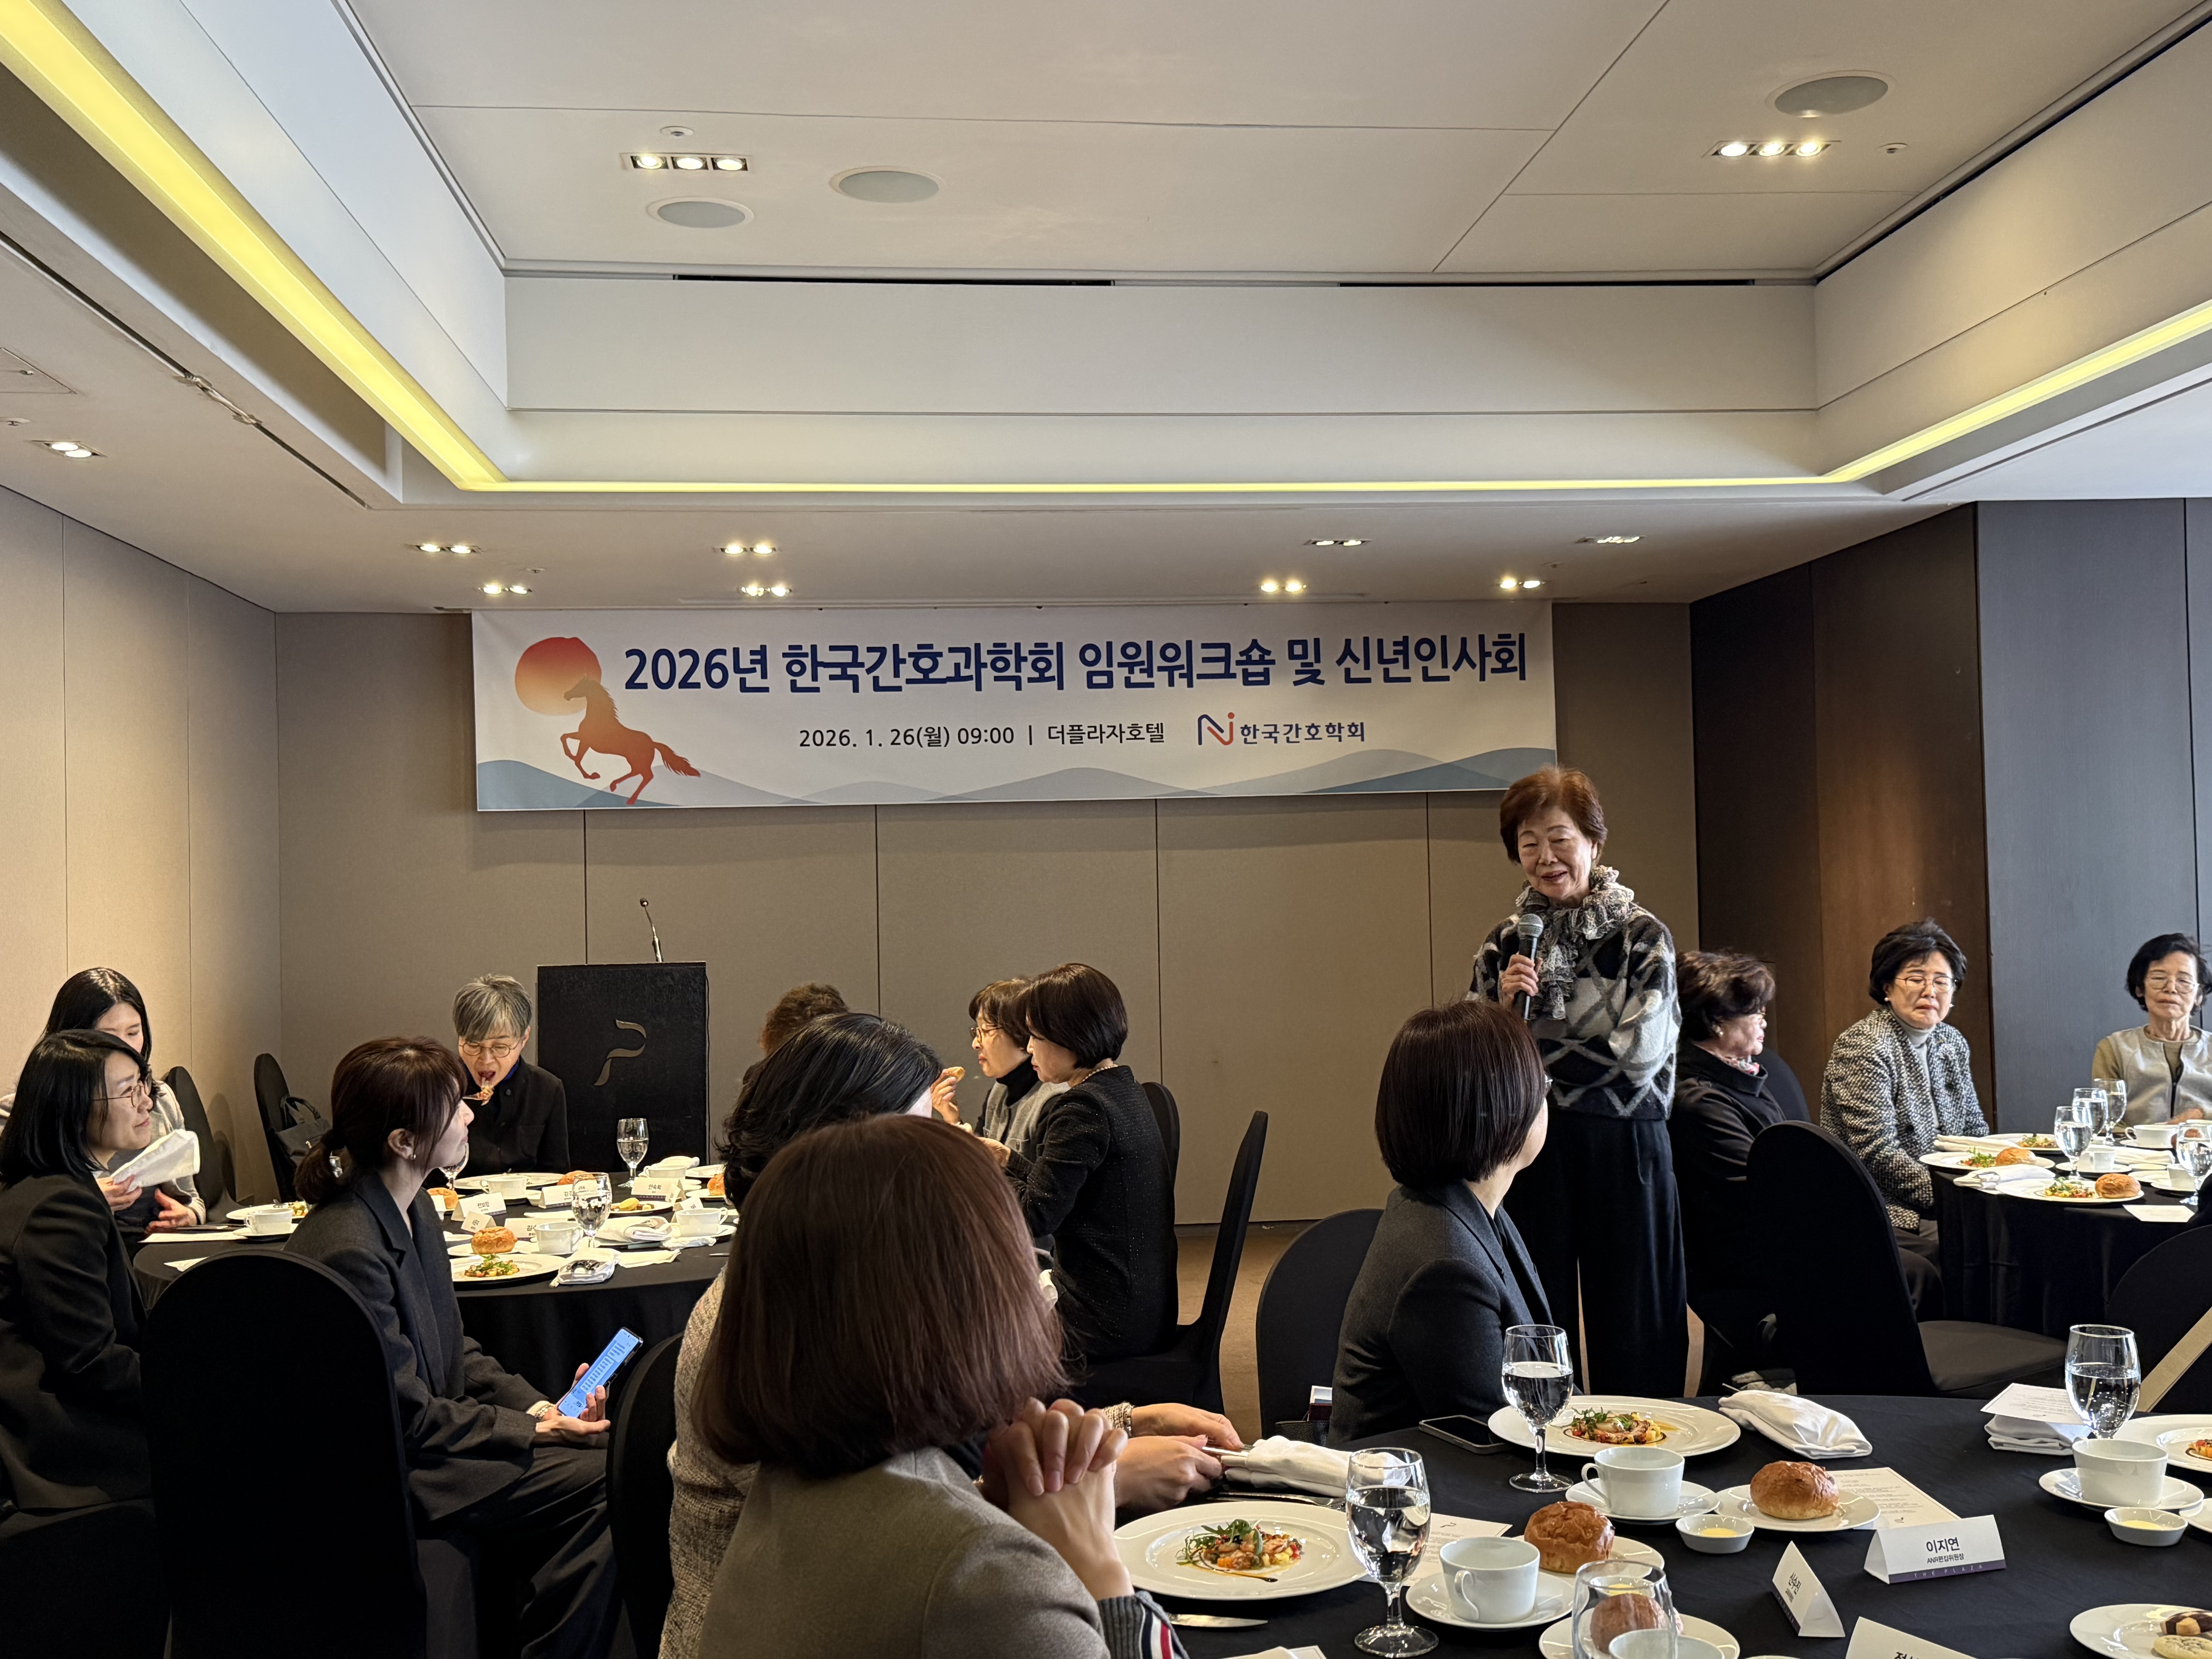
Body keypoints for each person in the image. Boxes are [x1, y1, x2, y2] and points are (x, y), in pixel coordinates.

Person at [663, 1011, 1240, 1659]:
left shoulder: (801, 1324)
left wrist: (1115, 1431)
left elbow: (904, 1485)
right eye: (918, 1137)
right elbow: (920, 1543)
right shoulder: (986, 1574)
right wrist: (1095, 1562)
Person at [288, 1038, 618, 1659]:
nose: (470, 1113)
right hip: (402, 1475)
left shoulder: (412, 1209)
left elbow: (454, 1351)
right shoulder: (350, 1245)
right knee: (610, 1483)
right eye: (453, 1106)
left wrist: (544, 1408)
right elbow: (407, 1417)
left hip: (437, 1446)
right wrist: (535, 1431)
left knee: (607, 1460)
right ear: (403, 1142)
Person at [1470, 766, 1686, 1396]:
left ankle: (1646, 1434)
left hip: (1627, 1144)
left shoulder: (1643, 937)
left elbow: (1638, 1056)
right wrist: (1506, 1014)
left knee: (1636, 1315)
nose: (1546, 857)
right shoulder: (1505, 944)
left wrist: (1531, 1052)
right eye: (1529, 843)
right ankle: (1545, 1431)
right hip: (1533, 1145)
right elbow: (1475, 1058)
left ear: (1594, 841)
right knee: (1537, 1312)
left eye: (1560, 839)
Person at [1331, 1000, 1552, 1442]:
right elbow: (1503, 1435)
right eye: (1541, 1085)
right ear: (1501, 1108)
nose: (1547, 1097)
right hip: (1441, 1480)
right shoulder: (1446, 1265)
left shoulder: (1461, 1208)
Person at [0, 1031, 156, 1540]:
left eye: (144, 1085)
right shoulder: (61, 1206)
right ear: (73, 1110)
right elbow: (91, 1363)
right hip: (56, 1444)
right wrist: (190, 1385)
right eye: (129, 1091)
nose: (147, 1102)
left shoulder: (50, 1187)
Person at [1009, 964, 1176, 1371]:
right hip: (1140, 1309)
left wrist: (979, 1177)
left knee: (973, 1321)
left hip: (1103, 1320)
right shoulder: (1123, 1090)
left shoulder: (1083, 1107)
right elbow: (1063, 1188)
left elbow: (1035, 1216)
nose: (1029, 1049)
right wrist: (1008, 1161)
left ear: (1071, 1036)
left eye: (1035, 1036)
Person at [1666, 951, 1813, 1385]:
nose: (1764, 1020)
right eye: (1754, 1011)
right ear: (1716, 1022)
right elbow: (1757, 1194)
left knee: (1913, 1258)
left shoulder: (1742, 1077)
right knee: (1905, 1274)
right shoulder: (1698, 1100)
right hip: (1745, 1258)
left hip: (1777, 1234)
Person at [1823, 919, 1985, 1292]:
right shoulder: (1865, 1045)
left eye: (1942, 981)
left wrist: (1988, 1181)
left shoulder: (1951, 1042)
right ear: (1887, 987)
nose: (1930, 991)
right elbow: (1877, 1153)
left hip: (1952, 1197)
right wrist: (1953, 1198)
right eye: (1916, 979)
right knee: (1978, 1253)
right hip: (1887, 1206)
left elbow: (1974, 1131)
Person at [0, 968, 204, 1240]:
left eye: (134, 1032)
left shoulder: (158, 1099)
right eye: (107, 1036)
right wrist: (84, 1199)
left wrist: (188, 1216)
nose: (125, 1048)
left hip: (154, 1244)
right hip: (74, 1242)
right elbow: (14, 1209)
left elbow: (191, 1198)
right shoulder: (23, 1113)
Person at [452, 974, 569, 1174]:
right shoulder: (438, 1088)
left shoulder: (546, 1088)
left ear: (524, 1038)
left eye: (500, 1047)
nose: (486, 1060)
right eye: (473, 1045)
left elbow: (556, 1175)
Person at [2091, 934, 2212, 1124]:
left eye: (2184, 981)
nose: (2171, 988)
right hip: (2133, 1144)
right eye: (2159, 978)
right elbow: (2106, 1124)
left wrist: (2202, 1115)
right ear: (2140, 988)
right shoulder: (2115, 1049)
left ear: (2198, 995)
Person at [968, 977, 1063, 1167]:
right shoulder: (999, 1091)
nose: (976, 1044)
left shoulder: (1055, 1101)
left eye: (985, 1031)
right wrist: (953, 1121)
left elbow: (1046, 1183)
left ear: (1021, 1032)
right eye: (976, 1032)